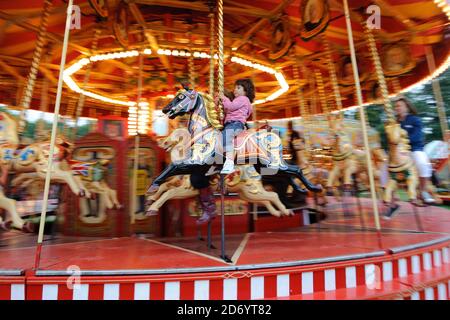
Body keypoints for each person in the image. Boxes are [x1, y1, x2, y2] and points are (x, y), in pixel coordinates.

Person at [394, 96, 435, 205]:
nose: (397, 108)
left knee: (422, 163)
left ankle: (423, 191)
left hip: (414, 149)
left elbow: (417, 136)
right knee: (385, 166)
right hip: (399, 151)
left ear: (406, 107)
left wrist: (403, 142)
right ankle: (390, 193)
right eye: (396, 106)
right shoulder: (394, 122)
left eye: (399, 106)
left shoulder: (414, 120)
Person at [219, 79, 255, 174]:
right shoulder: (243, 101)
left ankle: (229, 163)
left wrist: (224, 98)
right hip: (233, 124)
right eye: (235, 87)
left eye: (238, 87)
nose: (235, 89)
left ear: (245, 91)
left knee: (225, 138)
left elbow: (230, 106)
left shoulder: (243, 99)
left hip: (234, 124)